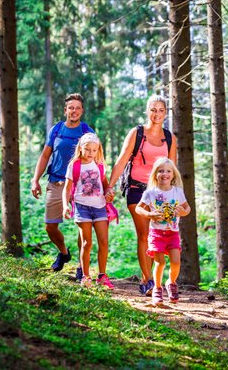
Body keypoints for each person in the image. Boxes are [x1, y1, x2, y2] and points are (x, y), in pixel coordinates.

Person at [106, 95, 177, 296]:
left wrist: (176, 195)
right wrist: (109, 187)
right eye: (153, 109)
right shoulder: (136, 133)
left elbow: (172, 169)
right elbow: (121, 161)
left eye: (161, 110)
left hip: (160, 193)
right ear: (147, 111)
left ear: (165, 113)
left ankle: (156, 280)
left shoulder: (170, 138)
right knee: (144, 234)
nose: (156, 113)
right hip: (136, 190)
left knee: (160, 236)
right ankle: (148, 281)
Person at [31, 93, 93, 278]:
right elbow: (44, 156)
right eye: (70, 107)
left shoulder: (87, 132)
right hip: (56, 182)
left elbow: (95, 158)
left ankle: (82, 268)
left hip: (81, 186)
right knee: (50, 226)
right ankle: (64, 253)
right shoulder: (56, 130)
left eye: (77, 108)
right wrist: (35, 179)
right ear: (65, 110)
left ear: (82, 111)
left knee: (83, 227)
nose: (74, 111)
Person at [62, 133, 114, 289]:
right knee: (86, 243)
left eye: (94, 150)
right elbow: (67, 188)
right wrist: (65, 205)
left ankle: (102, 276)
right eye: (87, 149)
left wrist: (109, 193)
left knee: (103, 241)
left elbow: (105, 184)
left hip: (99, 207)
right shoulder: (74, 165)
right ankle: (85, 276)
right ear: (80, 148)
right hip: (82, 207)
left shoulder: (99, 165)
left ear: (98, 150)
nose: (90, 153)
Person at [135, 158, 190, 306]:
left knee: (176, 262)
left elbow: (187, 208)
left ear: (173, 175)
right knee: (160, 263)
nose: (164, 174)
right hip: (157, 233)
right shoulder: (150, 193)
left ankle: (171, 283)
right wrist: (149, 215)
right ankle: (157, 289)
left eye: (168, 171)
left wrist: (182, 213)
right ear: (155, 174)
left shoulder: (177, 192)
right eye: (160, 171)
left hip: (172, 233)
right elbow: (138, 208)